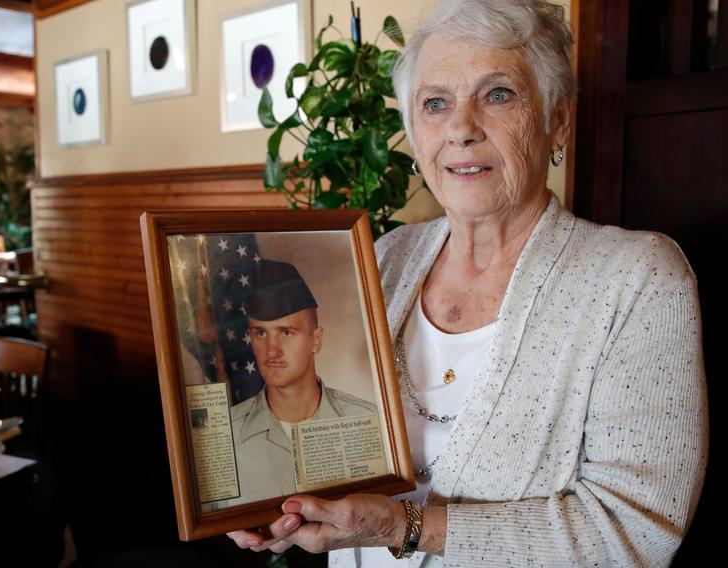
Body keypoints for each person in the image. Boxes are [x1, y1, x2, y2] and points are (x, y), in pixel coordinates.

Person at [227, 0, 708, 565]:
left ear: (557, 119)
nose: (460, 129)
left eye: (498, 94)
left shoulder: (637, 279)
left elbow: (632, 532)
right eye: (435, 104)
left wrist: (401, 526)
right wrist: (277, 500)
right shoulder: (386, 259)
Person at [225, 259, 377, 506]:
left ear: (316, 340)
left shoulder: (368, 422)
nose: (271, 351)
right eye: (260, 333)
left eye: (286, 332)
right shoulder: (227, 436)